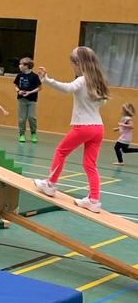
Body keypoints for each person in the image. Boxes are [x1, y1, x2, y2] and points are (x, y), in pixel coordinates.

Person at [33, 46, 110, 213]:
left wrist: (46, 79)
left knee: (60, 151)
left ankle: (50, 184)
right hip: (98, 128)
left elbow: (66, 89)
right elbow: (102, 103)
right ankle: (94, 200)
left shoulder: (82, 80)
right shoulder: (98, 82)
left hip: (83, 127)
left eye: (72, 63)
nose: (71, 66)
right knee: (90, 164)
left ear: (78, 64)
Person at [14, 57, 41, 142]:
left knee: (31, 117)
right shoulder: (19, 75)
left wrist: (30, 92)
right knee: (22, 118)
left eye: (21, 64)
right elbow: (16, 85)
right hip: (22, 99)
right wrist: (18, 91)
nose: (19, 66)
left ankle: (33, 133)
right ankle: (21, 134)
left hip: (31, 99)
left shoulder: (34, 76)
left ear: (26, 66)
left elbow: (39, 88)